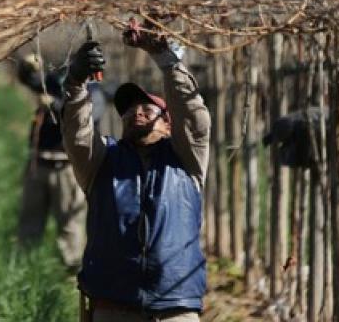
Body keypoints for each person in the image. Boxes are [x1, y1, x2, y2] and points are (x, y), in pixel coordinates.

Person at [62, 26, 211, 322]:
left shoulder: (186, 160)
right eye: (128, 110)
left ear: (169, 124)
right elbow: (77, 133)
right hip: (113, 306)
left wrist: (166, 59)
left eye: (146, 107)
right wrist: (76, 83)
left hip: (175, 307)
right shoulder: (102, 161)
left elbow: (193, 115)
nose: (135, 112)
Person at [14, 53, 106, 270]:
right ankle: (25, 269)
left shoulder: (93, 93)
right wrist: (27, 67)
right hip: (39, 164)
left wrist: (55, 105)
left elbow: (87, 119)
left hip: (66, 168)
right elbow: (31, 81)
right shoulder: (56, 83)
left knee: (70, 226)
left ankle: (73, 272)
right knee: (30, 221)